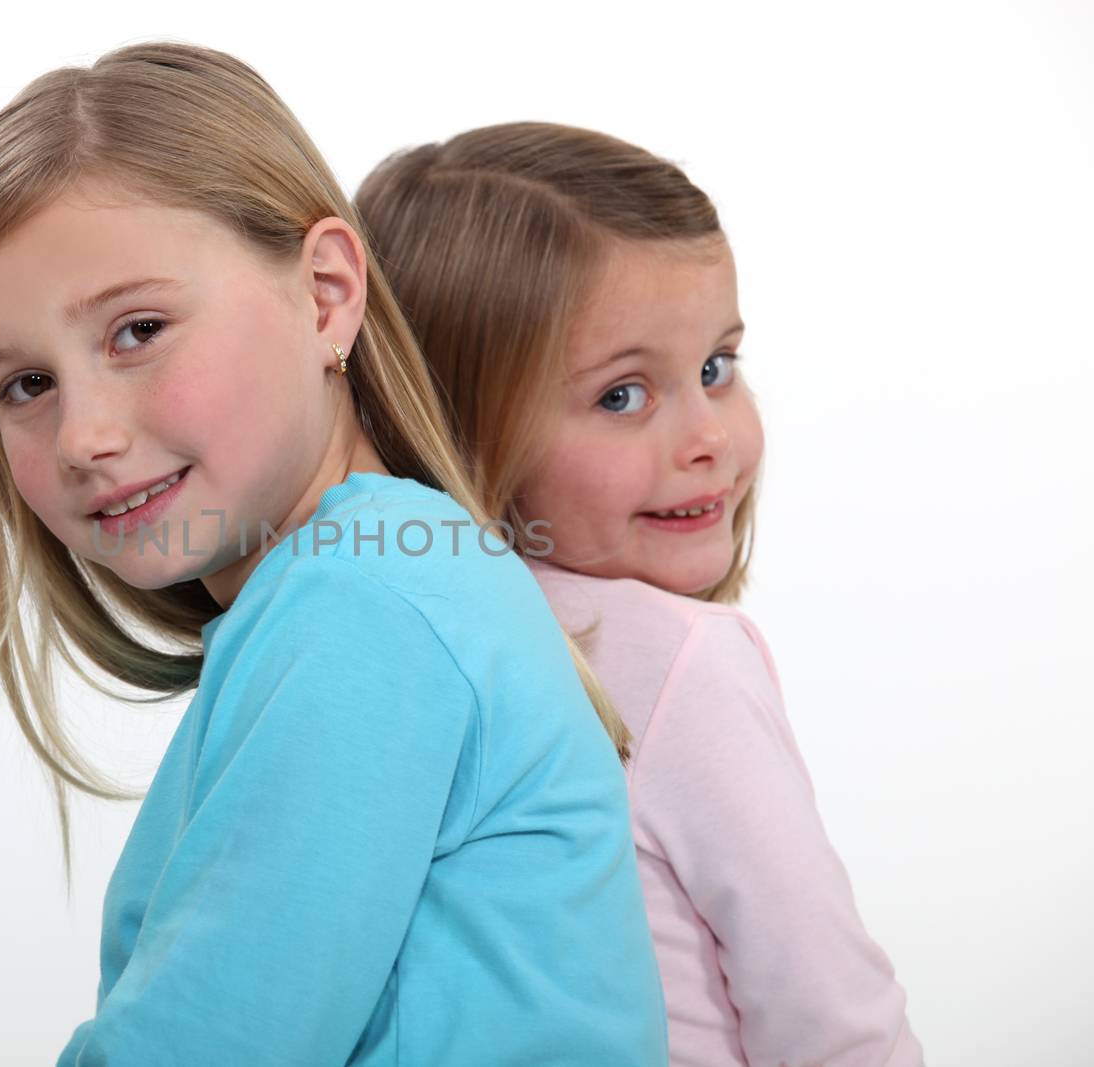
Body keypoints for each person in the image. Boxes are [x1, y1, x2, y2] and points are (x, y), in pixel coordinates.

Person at [0, 50, 666, 1066]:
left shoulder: (363, 601)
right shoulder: (360, 586)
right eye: (24, 384)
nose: (82, 435)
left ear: (325, 296)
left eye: (137, 330)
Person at [356, 121, 923, 1067]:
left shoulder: (406, 632)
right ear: (463, 431)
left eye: (716, 367)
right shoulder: (683, 666)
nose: (709, 436)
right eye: (623, 395)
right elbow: (831, 1014)